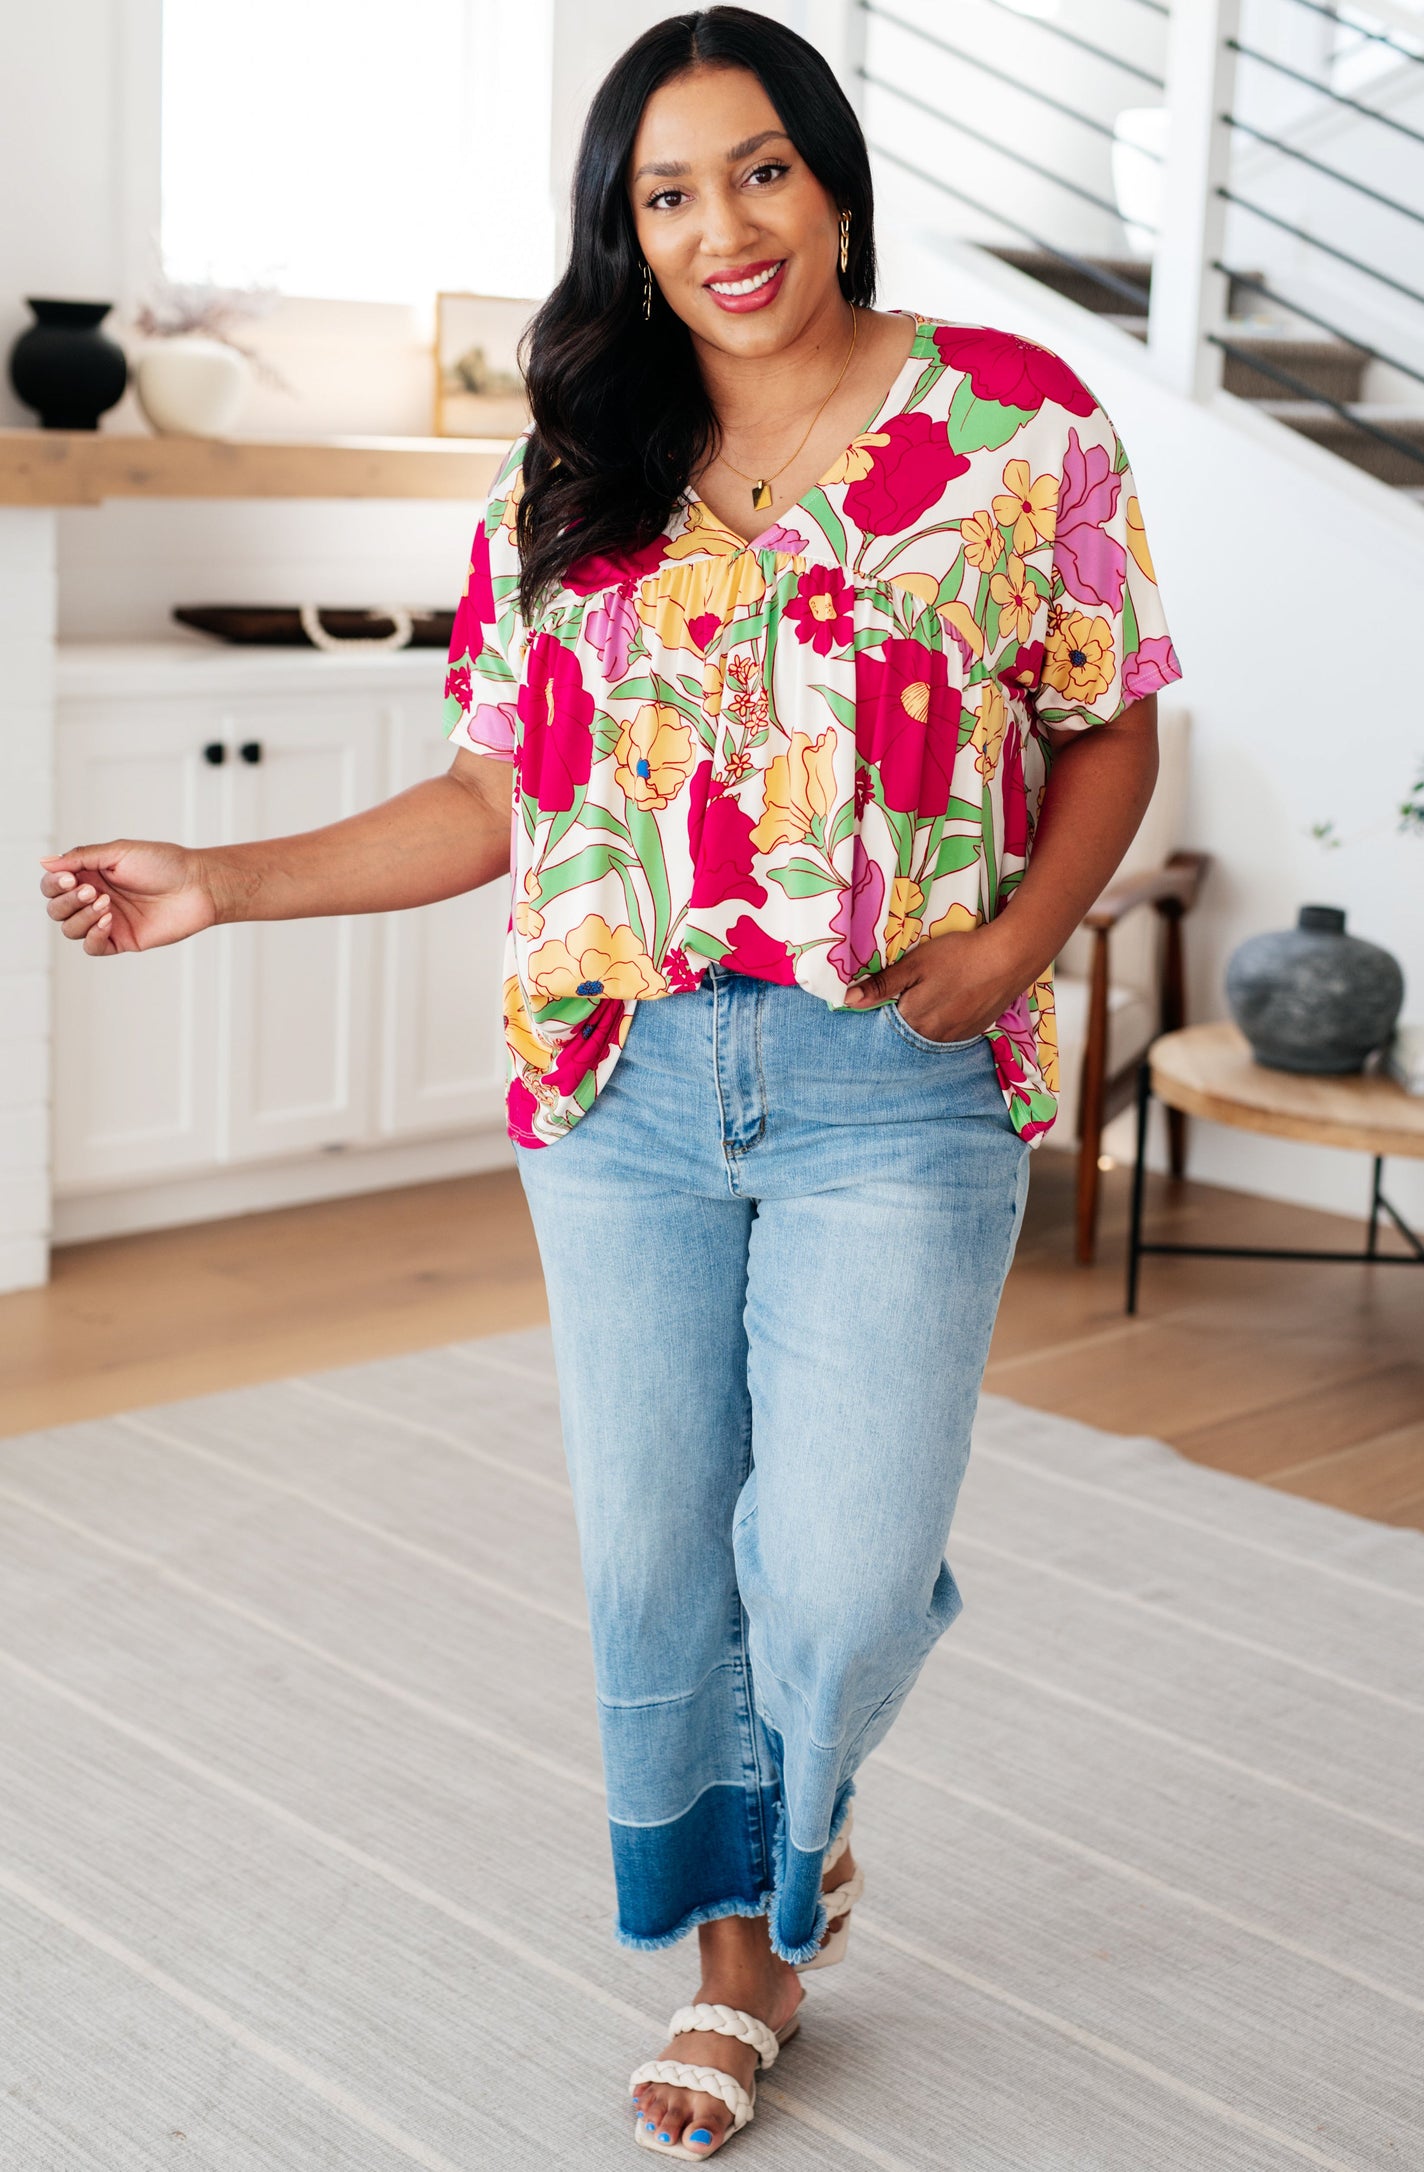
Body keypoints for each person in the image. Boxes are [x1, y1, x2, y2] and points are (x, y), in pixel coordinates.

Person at [40, 7, 1180, 2157]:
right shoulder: (576, 458)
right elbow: (497, 792)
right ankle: (748, 1952)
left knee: (838, 1576)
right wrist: (222, 879)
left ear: (832, 176)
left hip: (895, 1079)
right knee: (661, 1562)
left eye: (759, 170)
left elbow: (1113, 718)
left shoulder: (1022, 428)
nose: (723, 227)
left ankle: (800, 1781)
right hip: (622, 1082)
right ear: (623, 229)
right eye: (667, 193)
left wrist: (1023, 942)